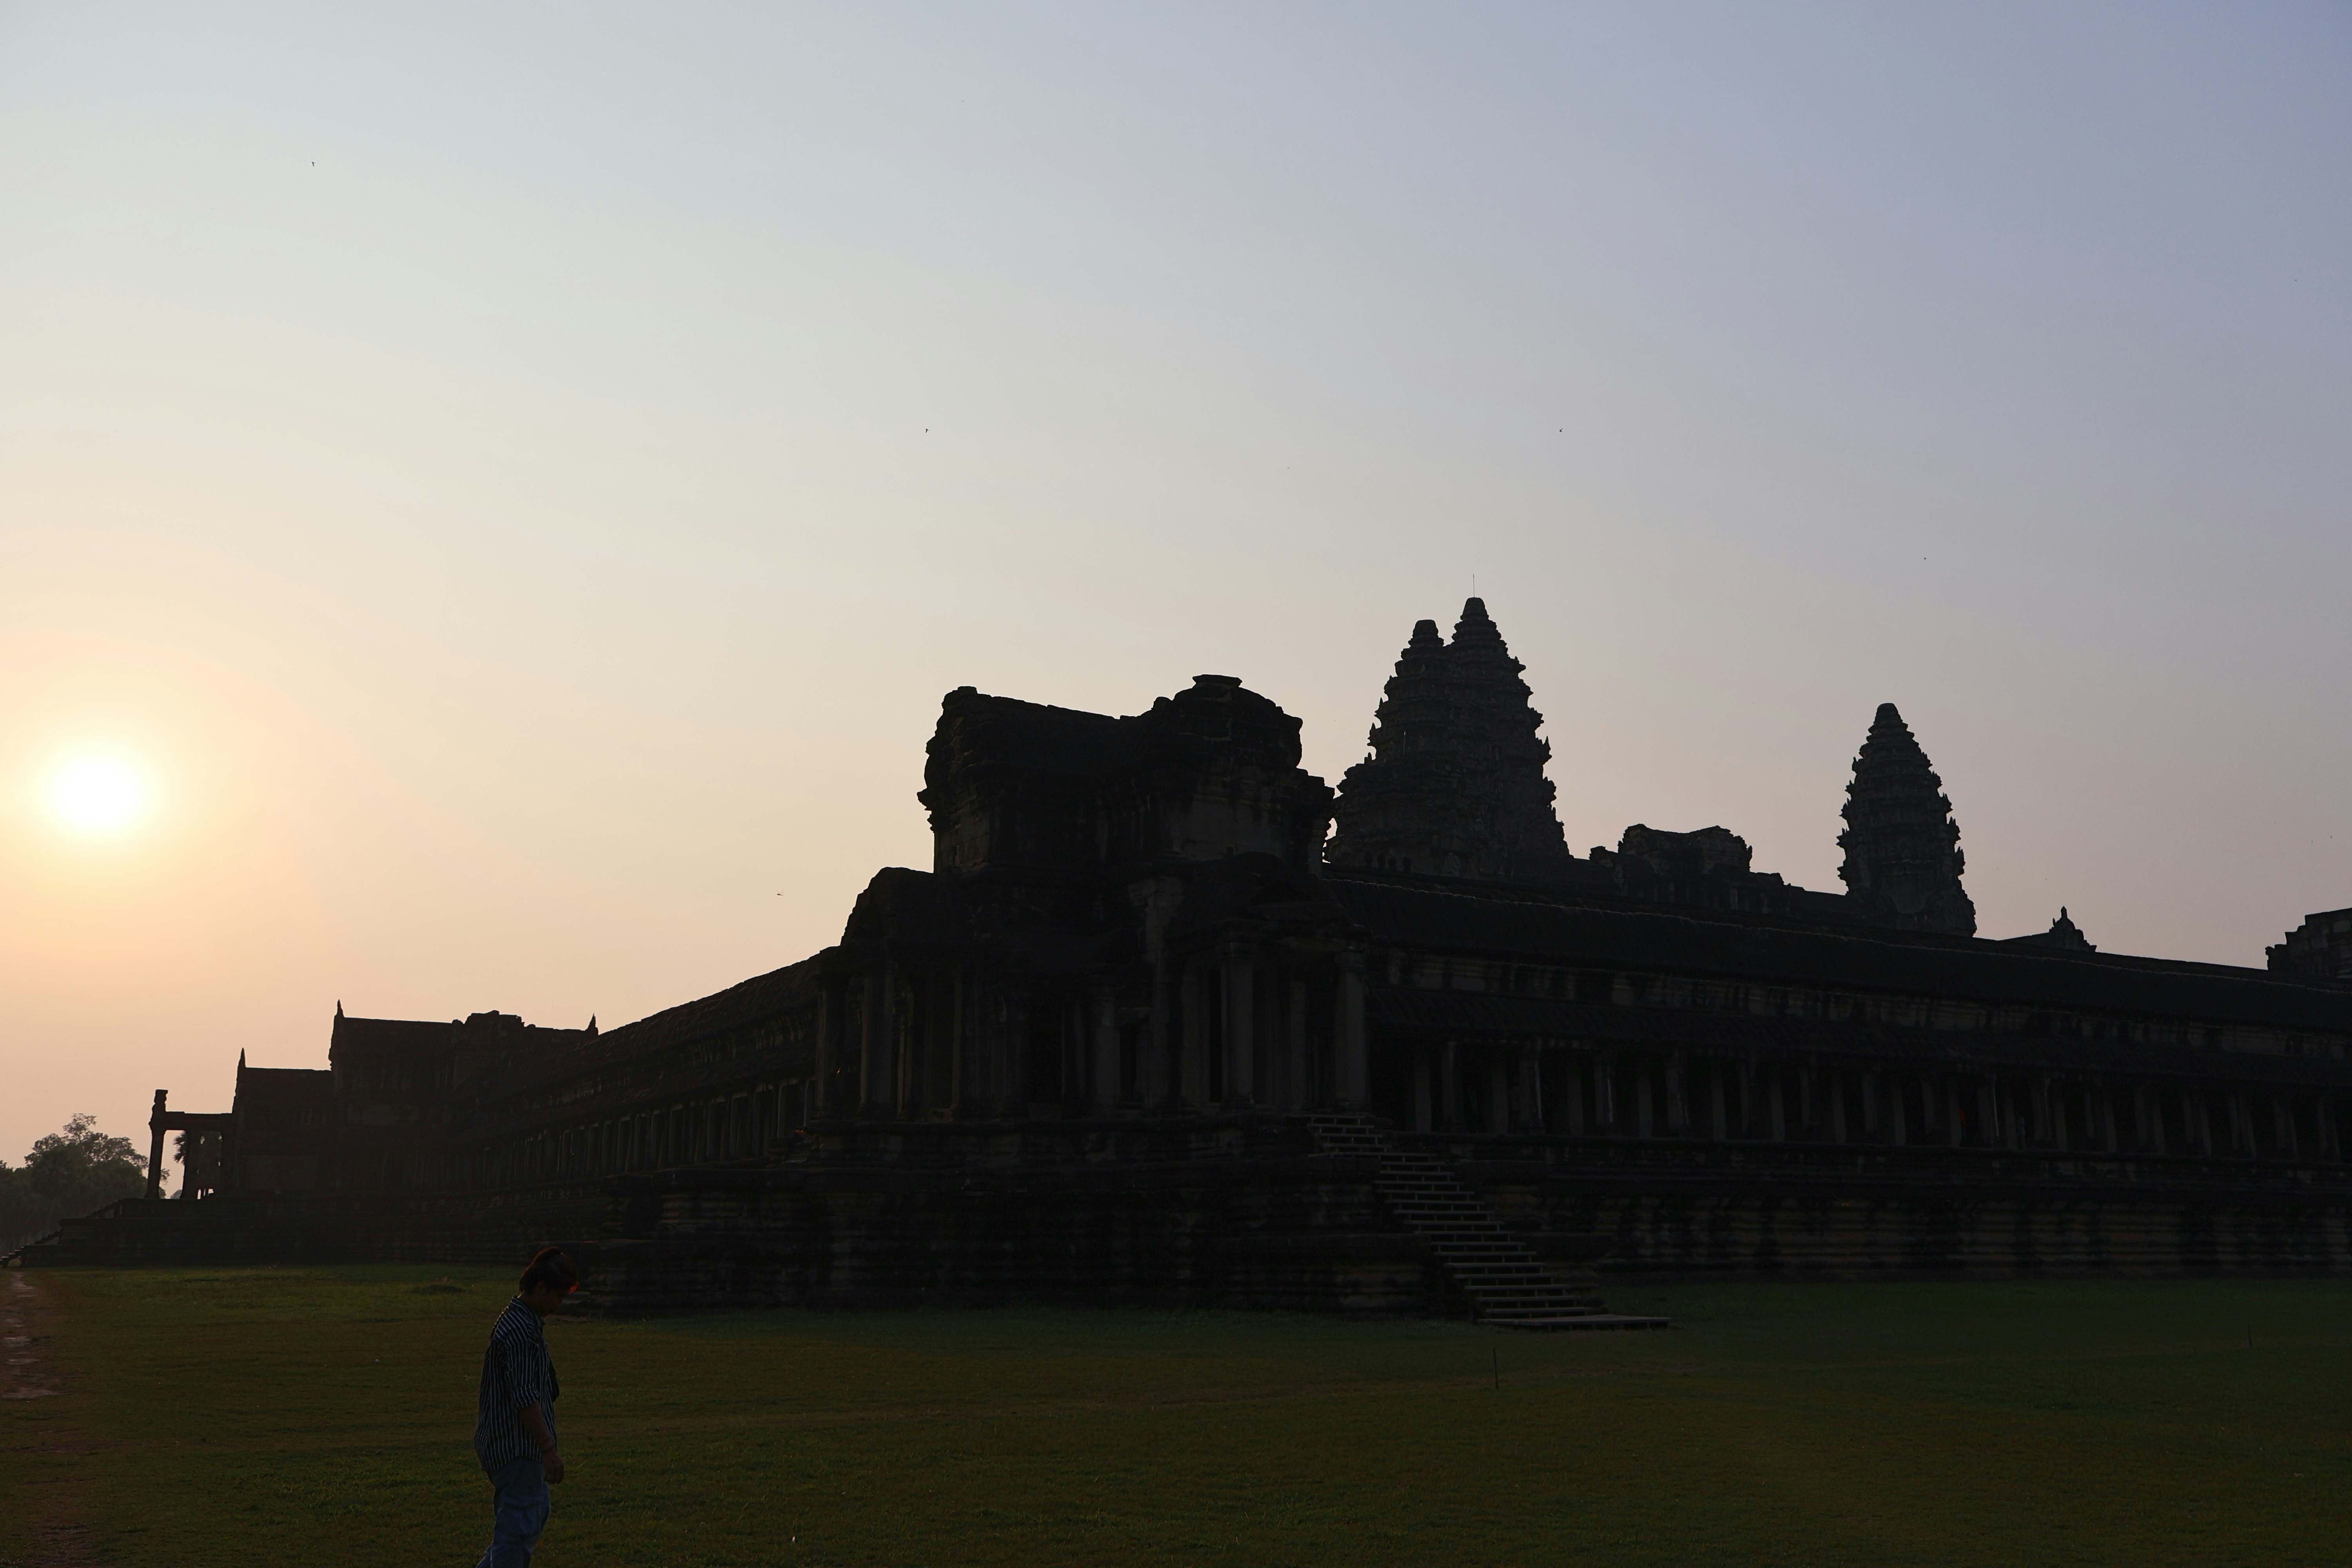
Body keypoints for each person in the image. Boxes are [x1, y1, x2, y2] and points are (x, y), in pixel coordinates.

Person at [473, 1247, 579, 1567]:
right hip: (517, 1446)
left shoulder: (522, 1322)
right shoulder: (520, 1332)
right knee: (518, 1531)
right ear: (541, 1288)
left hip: (516, 1446)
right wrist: (548, 1448)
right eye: (558, 1296)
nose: (560, 1304)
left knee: (532, 1514)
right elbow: (524, 1397)